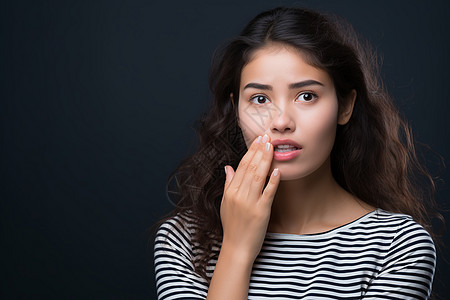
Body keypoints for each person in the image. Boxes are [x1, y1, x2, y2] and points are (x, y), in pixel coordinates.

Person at [154, 6, 440, 299]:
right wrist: (237, 250)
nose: (280, 122)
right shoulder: (183, 241)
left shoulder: (399, 247)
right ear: (236, 109)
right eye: (260, 98)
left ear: (345, 106)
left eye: (306, 96)